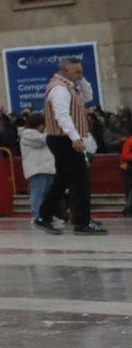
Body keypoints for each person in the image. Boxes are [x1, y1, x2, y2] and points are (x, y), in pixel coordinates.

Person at [38, 55, 107, 236]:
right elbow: (62, 116)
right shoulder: (59, 89)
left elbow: (89, 96)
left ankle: (43, 216)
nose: (80, 73)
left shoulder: (69, 86)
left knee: (62, 180)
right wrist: (76, 139)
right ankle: (82, 222)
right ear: (65, 69)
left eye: (81, 71)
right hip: (64, 139)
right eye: (77, 71)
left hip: (62, 139)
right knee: (80, 180)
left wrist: (81, 79)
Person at [17, 112, 57, 225]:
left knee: (47, 194)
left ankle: (46, 215)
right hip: (36, 168)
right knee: (38, 193)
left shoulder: (43, 134)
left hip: (48, 167)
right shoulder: (27, 133)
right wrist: (53, 132)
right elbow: (42, 140)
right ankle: (36, 215)